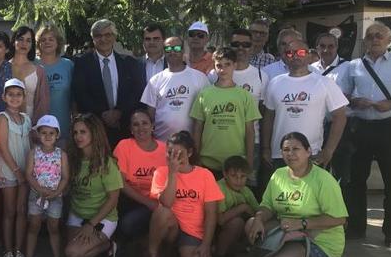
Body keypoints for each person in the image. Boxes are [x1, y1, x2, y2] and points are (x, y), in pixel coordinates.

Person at [342, 22, 391, 248]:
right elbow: (343, 96)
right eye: (370, 36)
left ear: (388, 41)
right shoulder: (353, 66)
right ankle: (356, 228)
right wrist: (354, 101)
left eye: (379, 36)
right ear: (365, 41)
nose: (375, 39)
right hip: (361, 127)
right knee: (356, 181)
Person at [246, 132, 348, 257]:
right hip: (289, 232)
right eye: (286, 149)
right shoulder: (279, 175)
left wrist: (302, 223)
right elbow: (267, 206)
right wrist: (259, 218)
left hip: (319, 239)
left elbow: (340, 219)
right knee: (251, 224)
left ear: (308, 152)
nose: (290, 154)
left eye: (296, 149)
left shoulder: (324, 180)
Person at [261, 39, 348, 181]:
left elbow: (340, 116)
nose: (295, 56)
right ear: (284, 57)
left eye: (300, 52)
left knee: (310, 201)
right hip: (280, 155)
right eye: (290, 53)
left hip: (311, 155)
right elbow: (268, 117)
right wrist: (265, 148)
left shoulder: (324, 82)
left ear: (309, 55)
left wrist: (328, 151)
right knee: (280, 200)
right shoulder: (275, 83)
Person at [142, 131, 224, 257]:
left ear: (190, 153)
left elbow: (211, 213)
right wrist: (172, 174)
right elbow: (166, 203)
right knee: (163, 212)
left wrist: (206, 244)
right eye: (169, 153)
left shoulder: (205, 175)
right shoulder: (161, 172)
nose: (173, 158)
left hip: (193, 232)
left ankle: (176, 254)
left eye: (178, 154)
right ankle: (152, 255)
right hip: (170, 226)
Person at [64, 113, 123, 257]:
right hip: (77, 214)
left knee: (73, 253)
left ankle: (108, 244)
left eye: (83, 132)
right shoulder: (73, 158)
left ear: (94, 133)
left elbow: (113, 199)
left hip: (101, 218)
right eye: (75, 132)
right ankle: (101, 247)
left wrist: (91, 225)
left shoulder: (107, 163)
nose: (78, 137)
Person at [71, 19, 144, 145]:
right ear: (93, 38)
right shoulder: (82, 64)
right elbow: (80, 94)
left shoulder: (129, 63)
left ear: (114, 37)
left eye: (107, 35)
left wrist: (119, 112)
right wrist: (103, 114)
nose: (103, 39)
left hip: (125, 127)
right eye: (98, 36)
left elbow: (136, 92)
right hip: (95, 128)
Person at [191, 47, 260, 177]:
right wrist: (196, 157)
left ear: (235, 65)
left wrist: (249, 161)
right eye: (219, 65)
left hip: (236, 164)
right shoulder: (204, 94)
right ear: (214, 67)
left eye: (227, 64)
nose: (223, 69)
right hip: (208, 162)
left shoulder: (244, 95)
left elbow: (250, 131)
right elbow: (198, 128)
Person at [19, 115, 69, 257]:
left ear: (57, 135)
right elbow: (29, 174)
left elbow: (65, 177)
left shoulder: (62, 154)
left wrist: (56, 192)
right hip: (36, 195)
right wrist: (40, 190)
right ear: (38, 135)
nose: (47, 136)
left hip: (55, 197)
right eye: (44, 133)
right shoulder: (34, 153)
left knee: (54, 228)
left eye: (51, 133)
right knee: (34, 226)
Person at [112, 109, 166, 257]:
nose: (141, 128)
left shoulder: (165, 149)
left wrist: (156, 204)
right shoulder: (124, 146)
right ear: (130, 129)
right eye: (135, 124)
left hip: (158, 202)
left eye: (145, 123)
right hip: (131, 199)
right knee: (127, 224)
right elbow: (120, 182)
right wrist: (148, 203)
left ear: (152, 126)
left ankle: (145, 243)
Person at [141, 36, 209, 141]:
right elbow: (150, 115)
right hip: (161, 143)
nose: (172, 52)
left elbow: (206, 113)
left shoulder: (200, 78)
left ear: (183, 50)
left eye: (176, 48)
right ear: (164, 52)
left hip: (190, 145)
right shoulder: (155, 80)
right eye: (168, 49)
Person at [0, 78, 32, 257]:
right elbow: (2, 147)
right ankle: (8, 249)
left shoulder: (26, 119)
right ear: (4, 97)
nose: (15, 98)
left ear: (24, 97)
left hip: (25, 172)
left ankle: (19, 249)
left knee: (21, 210)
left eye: (18, 94)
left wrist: (28, 171)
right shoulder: (2, 117)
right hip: (9, 171)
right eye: (11, 94)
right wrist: (17, 171)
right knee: (9, 211)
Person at [311, 32, 353, 189]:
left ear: (337, 47)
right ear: (316, 48)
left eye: (331, 46)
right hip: (316, 127)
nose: (326, 50)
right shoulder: (310, 69)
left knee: (339, 174)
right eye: (322, 46)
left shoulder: (347, 67)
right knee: (316, 171)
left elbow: (356, 94)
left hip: (339, 126)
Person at [214, 156, 258, 257]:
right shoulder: (219, 187)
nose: (239, 181)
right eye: (234, 176)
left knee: (254, 223)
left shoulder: (246, 191)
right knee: (236, 223)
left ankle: (232, 253)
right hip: (214, 230)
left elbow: (257, 213)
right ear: (225, 174)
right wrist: (243, 207)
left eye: (242, 176)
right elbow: (220, 220)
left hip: (234, 232)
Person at [36, 24, 74, 142]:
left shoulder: (68, 65)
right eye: (43, 40)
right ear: (38, 44)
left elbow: (75, 97)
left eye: (51, 39)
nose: (47, 42)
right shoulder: (31, 65)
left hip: (63, 128)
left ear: (58, 43)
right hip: (38, 129)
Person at [10, 26, 49, 122]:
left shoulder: (39, 71)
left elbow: (42, 104)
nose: (24, 43)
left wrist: (36, 129)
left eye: (28, 40)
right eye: (20, 39)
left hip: (30, 125)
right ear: (13, 41)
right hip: (6, 125)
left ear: (32, 44)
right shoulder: (4, 68)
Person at [141, 23, 167, 88]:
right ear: (143, 42)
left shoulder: (172, 64)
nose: (152, 42)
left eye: (156, 39)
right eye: (148, 39)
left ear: (163, 41)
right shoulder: (134, 65)